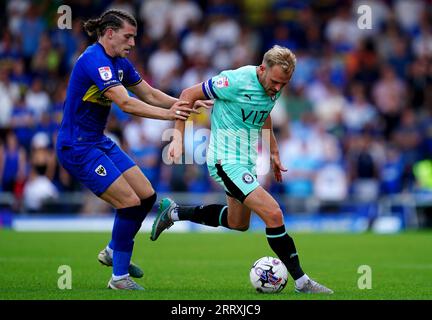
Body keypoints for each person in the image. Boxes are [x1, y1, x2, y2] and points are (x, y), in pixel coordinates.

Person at [151, 45, 333, 294]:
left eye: (284, 83)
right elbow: (188, 93)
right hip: (224, 161)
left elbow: (265, 114)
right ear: (262, 69)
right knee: (273, 214)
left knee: (238, 223)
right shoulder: (234, 80)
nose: (278, 88)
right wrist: (178, 137)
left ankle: (174, 212)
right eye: (275, 81)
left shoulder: (274, 86)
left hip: (245, 161)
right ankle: (303, 282)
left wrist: (274, 151)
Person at [56, 9, 210, 290]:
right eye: (128, 36)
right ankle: (119, 277)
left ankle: (115, 251)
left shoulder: (120, 62)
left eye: (135, 37)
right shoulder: (95, 60)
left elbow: (149, 94)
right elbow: (126, 103)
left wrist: (182, 104)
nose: (133, 43)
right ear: (110, 33)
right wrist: (172, 116)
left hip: (98, 141)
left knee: (147, 196)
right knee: (128, 202)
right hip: (77, 146)